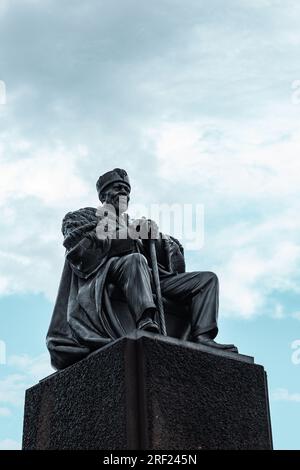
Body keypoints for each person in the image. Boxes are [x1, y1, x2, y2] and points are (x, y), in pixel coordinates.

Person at [47, 168, 238, 370]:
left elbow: (170, 260)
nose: (123, 192)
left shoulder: (135, 223)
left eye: (126, 189)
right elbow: (82, 250)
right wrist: (130, 234)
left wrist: (160, 240)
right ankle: (146, 321)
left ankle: (203, 336)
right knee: (135, 260)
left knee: (206, 280)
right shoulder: (84, 216)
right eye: (117, 187)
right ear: (104, 195)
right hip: (106, 277)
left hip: (150, 280)